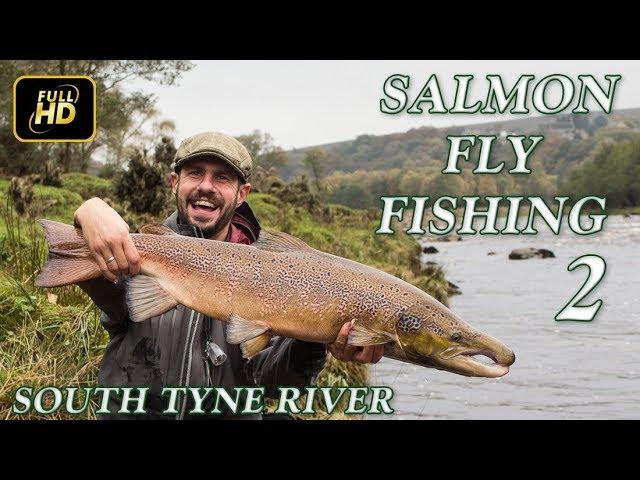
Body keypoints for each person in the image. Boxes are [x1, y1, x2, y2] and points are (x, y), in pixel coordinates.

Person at [74, 131, 384, 419]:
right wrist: (87, 212)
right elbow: (83, 268)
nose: (206, 186)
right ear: (174, 182)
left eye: (222, 177)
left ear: (241, 193)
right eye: (195, 173)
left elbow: (273, 385)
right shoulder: (133, 253)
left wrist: (317, 337)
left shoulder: (281, 276)